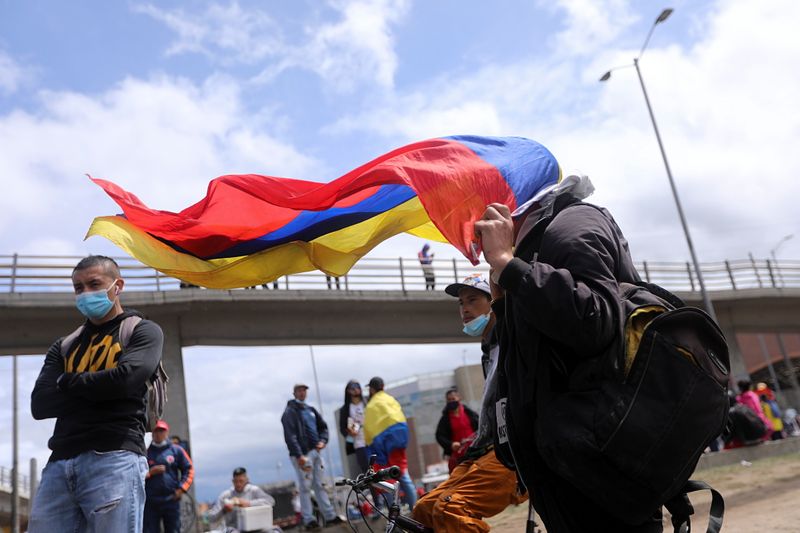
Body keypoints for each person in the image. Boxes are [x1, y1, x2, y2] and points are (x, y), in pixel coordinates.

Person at [475, 173, 665, 532]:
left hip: (598, 469)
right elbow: (533, 358)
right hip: (569, 468)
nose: (477, 232)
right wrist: (502, 304)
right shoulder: (533, 245)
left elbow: (593, 320)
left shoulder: (571, 225)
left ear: (506, 204)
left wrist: (506, 262)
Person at [29, 255, 164, 533]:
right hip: (59, 465)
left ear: (118, 286)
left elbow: (126, 380)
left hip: (115, 458)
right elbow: (40, 404)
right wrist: (102, 386)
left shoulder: (142, 331)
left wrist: (66, 381)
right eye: (79, 288)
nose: (86, 293)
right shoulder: (64, 345)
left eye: (94, 284)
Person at [413, 274, 526, 532]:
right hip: (484, 450)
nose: (464, 308)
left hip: (513, 453)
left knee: (449, 508)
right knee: (423, 509)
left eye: (473, 300)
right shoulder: (489, 348)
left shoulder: (511, 337)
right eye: (461, 303)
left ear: (493, 301)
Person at [280, 383, 344, 530]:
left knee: (320, 485)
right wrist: (299, 455)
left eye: (304, 390)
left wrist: (323, 441)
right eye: (299, 390)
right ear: (294, 393)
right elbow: (290, 436)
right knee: (305, 487)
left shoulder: (310, 410)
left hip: (316, 452)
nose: (302, 393)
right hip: (302, 455)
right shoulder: (290, 412)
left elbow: (323, 427)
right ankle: (308, 519)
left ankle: (329, 516)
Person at [364, 376, 417, 509]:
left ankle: (394, 516)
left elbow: (369, 431)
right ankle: (416, 509)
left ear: (371, 389)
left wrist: (375, 452)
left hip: (381, 443)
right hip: (398, 440)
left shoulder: (371, 406)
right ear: (383, 386)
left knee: (386, 480)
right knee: (403, 474)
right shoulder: (391, 400)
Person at [144, 420, 195, 533]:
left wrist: (181, 489)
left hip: (171, 500)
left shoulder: (176, 450)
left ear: (166, 432)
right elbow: (138, 475)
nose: (158, 433)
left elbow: (189, 469)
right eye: (156, 430)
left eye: (161, 431)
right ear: (152, 432)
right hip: (151, 502)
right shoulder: (145, 453)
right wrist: (151, 473)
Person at [207, 467, 274, 532]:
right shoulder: (225, 495)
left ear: (247, 480)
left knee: (274, 531)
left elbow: (270, 501)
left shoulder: (254, 490)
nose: (238, 484)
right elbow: (211, 517)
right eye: (236, 481)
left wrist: (248, 503)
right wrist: (224, 510)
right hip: (234, 529)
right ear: (232, 481)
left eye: (241, 481)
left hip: (256, 527)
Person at [435, 388, 479, 472]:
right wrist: (451, 444)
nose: (451, 401)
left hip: (475, 451)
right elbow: (439, 436)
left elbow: (481, 427)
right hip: (458, 456)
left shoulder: (471, 414)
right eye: (449, 400)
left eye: (453, 399)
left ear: (459, 398)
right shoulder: (445, 419)